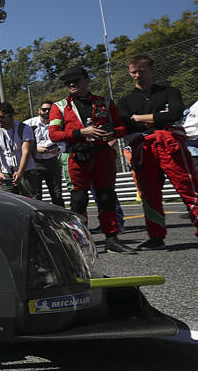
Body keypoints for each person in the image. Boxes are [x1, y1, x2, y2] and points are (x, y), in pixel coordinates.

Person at [117, 54, 198, 250]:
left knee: (189, 187)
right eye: (134, 72)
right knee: (149, 194)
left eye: (141, 71)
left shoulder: (170, 91)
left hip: (169, 145)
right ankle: (156, 236)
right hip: (143, 148)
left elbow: (175, 113)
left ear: (152, 70)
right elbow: (125, 124)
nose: (137, 75)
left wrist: (140, 118)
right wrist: (158, 117)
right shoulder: (125, 100)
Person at [49, 67, 133, 254]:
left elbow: (121, 127)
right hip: (77, 157)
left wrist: (111, 132)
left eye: (76, 80)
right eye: (67, 82)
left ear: (87, 80)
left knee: (107, 197)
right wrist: (81, 133)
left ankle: (112, 239)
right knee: (79, 199)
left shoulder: (105, 102)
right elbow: (54, 135)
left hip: (103, 154)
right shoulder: (59, 106)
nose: (71, 84)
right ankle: (80, 242)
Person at [24, 100, 66, 207]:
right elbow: (21, 142)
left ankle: (60, 219)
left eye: (50, 110)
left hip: (52, 161)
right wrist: (35, 148)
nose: (47, 111)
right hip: (34, 162)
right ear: (39, 111)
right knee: (35, 195)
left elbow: (63, 143)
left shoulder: (58, 124)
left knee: (57, 194)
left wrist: (57, 149)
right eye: (44, 109)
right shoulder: (28, 124)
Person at [0, 103, 36, 196]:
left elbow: (26, 152)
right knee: (9, 201)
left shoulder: (24, 129)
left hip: (25, 170)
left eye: (2, 117)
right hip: (6, 171)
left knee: (29, 198)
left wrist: (20, 172)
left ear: (10, 115)